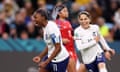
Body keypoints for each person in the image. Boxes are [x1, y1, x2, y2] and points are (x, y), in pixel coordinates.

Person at [52, 5, 78, 72]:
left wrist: (75, 38)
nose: (67, 12)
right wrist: (61, 40)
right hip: (63, 51)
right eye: (64, 11)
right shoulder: (55, 23)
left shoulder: (68, 23)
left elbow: (70, 35)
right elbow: (51, 37)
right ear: (59, 13)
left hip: (72, 49)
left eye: (67, 11)